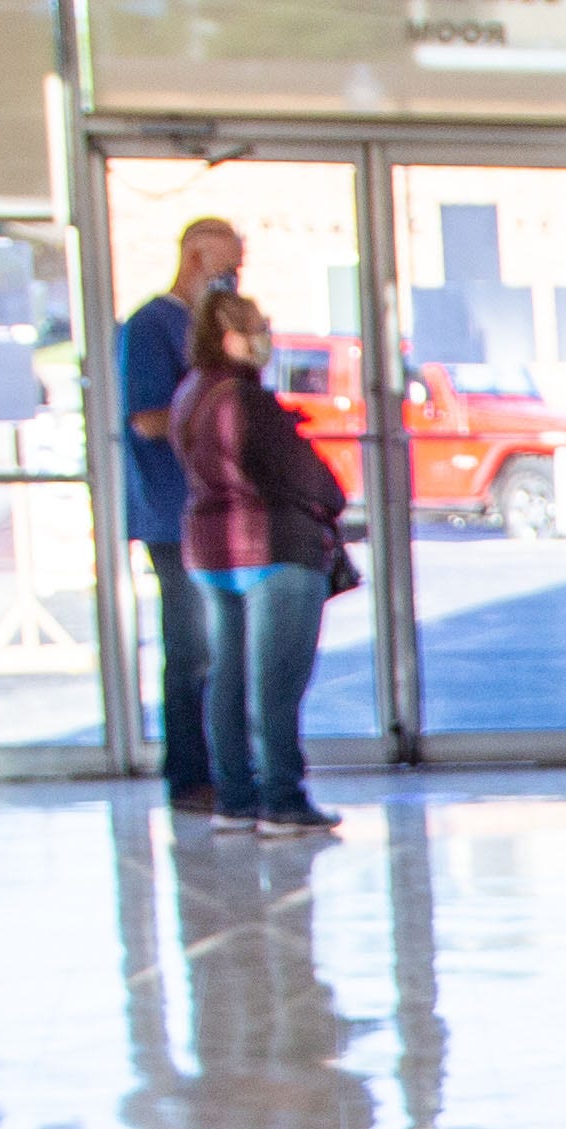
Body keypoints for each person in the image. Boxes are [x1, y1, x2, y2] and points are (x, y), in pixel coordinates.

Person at [164, 289, 344, 839]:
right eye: (256, 327)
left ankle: (236, 797)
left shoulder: (190, 393)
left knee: (228, 678)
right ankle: (283, 798)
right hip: (271, 546)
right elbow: (296, 474)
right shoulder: (245, 398)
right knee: (276, 683)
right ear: (230, 338)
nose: (266, 336)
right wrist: (329, 500)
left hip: (209, 549)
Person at [123, 215, 240, 816]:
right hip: (173, 515)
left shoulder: (207, 328)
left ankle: (228, 766)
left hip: (220, 514)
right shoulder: (152, 326)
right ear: (195, 259)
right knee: (191, 648)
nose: (230, 279)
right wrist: (206, 412)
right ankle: (190, 774)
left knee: (222, 648)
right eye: (223, 266)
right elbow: (145, 417)